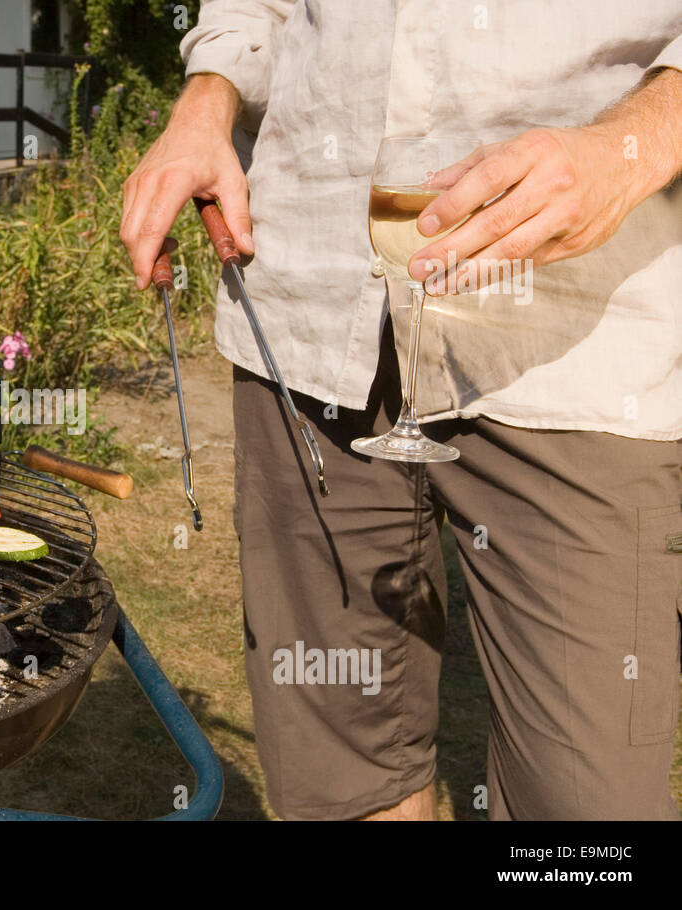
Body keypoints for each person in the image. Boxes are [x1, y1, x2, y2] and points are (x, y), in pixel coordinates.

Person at [120, 0, 682, 820]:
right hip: (308, 309)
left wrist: (631, 149)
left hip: (577, 332)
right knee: (341, 778)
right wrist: (206, 104)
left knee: (588, 817)